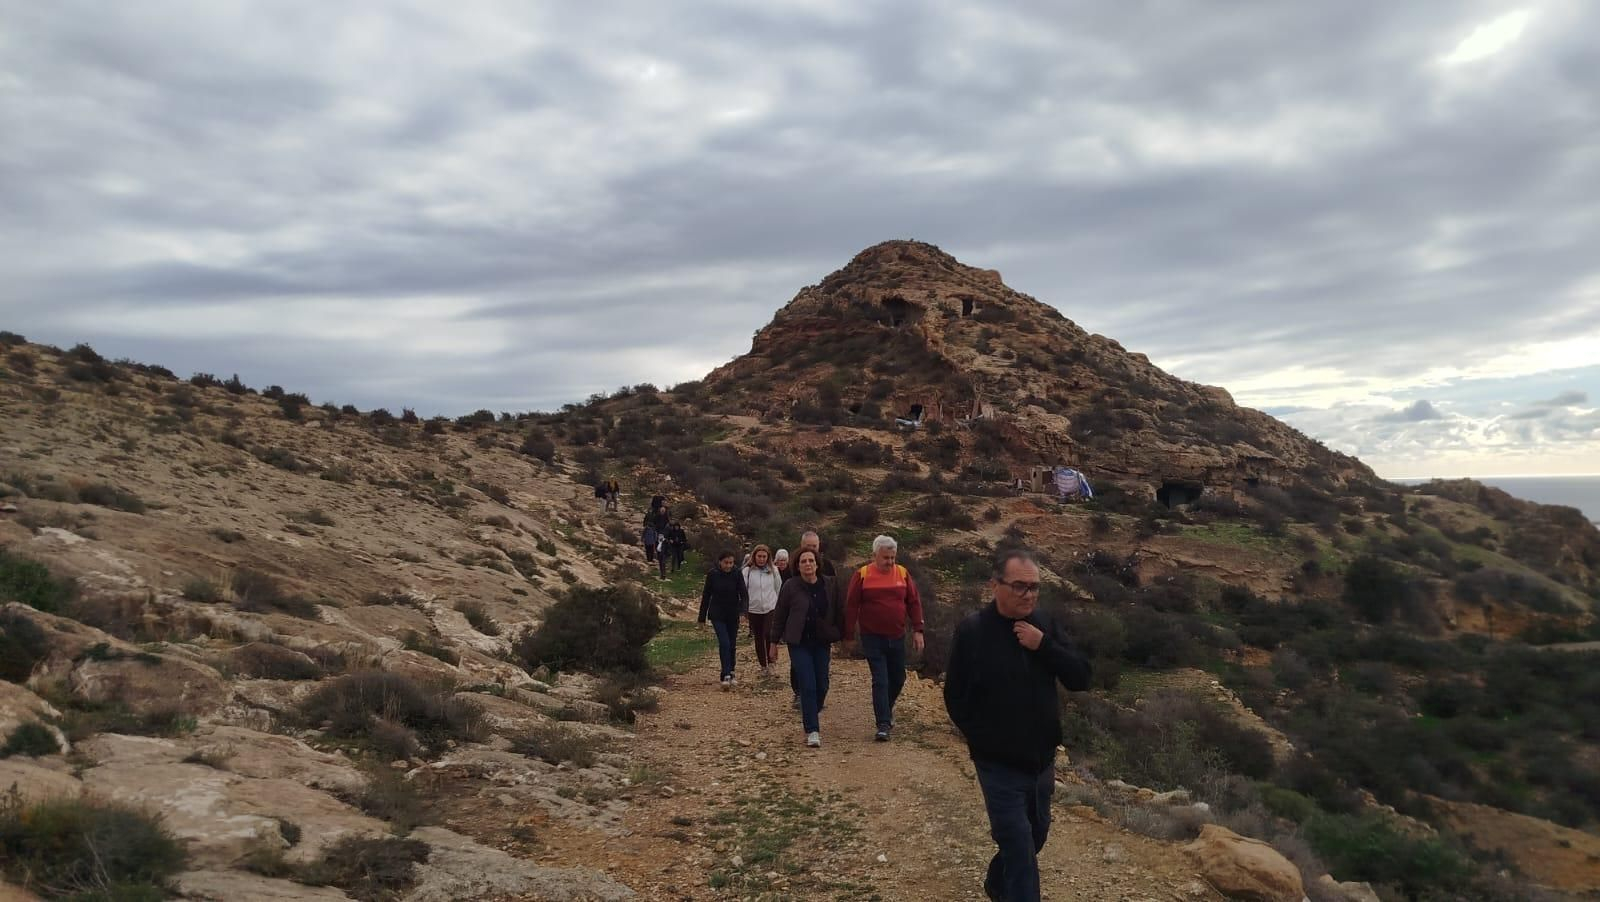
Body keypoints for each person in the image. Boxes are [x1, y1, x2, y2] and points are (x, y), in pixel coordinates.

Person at [943, 548, 1092, 902]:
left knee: (1036, 835)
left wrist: (1043, 646)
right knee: (1020, 849)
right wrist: (984, 742)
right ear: (995, 585)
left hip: (1041, 762)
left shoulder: (1044, 624)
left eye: (1035, 587)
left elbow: (1081, 677)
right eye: (1020, 587)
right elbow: (955, 697)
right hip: (998, 767)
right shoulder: (973, 632)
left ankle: (996, 883)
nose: (1029, 595)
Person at [844, 534, 924, 742]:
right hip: (872, 637)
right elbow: (851, 605)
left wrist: (918, 630)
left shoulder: (903, 573)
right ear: (874, 556)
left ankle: (885, 709)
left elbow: (914, 602)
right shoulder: (862, 574)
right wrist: (849, 634)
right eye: (886, 558)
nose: (890, 562)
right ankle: (883, 724)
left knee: (898, 678)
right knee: (880, 679)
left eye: (892, 557)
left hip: (897, 636)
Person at [769, 548, 844, 747]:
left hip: (821, 642)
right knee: (808, 685)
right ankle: (812, 729)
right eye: (803, 561)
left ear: (817, 564)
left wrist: (844, 635)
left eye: (811, 560)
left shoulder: (829, 584)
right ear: (797, 565)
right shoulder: (790, 586)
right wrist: (773, 643)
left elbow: (838, 611)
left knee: (822, 684)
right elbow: (780, 616)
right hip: (799, 643)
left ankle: (812, 710)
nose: (808, 564)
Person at [697, 551, 749, 689]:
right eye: (726, 562)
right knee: (724, 642)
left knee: (732, 644)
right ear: (720, 562)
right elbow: (706, 595)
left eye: (731, 563)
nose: (728, 565)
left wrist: (743, 611)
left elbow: (743, 594)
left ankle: (732, 671)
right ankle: (725, 674)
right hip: (717, 614)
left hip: (733, 614)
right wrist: (701, 618)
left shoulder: (737, 574)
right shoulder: (712, 574)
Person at [741, 545, 783, 674]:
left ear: (768, 557)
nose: (761, 559)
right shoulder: (747, 571)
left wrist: (779, 605)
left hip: (770, 607)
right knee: (758, 637)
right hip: (754, 609)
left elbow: (778, 588)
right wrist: (743, 609)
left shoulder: (774, 570)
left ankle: (771, 663)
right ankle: (763, 665)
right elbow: (743, 591)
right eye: (759, 556)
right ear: (754, 556)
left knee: (768, 634)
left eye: (764, 557)